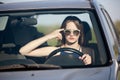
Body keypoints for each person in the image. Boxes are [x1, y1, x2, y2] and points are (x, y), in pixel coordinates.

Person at [19, 16, 92, 65]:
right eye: (67, 31)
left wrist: (89, 63)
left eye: (75, 32)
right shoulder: (54, 51)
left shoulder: (89, 52)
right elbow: (23, 51)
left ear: (80, 33)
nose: (71, 34)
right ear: (62, 32)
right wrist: (49, 36)